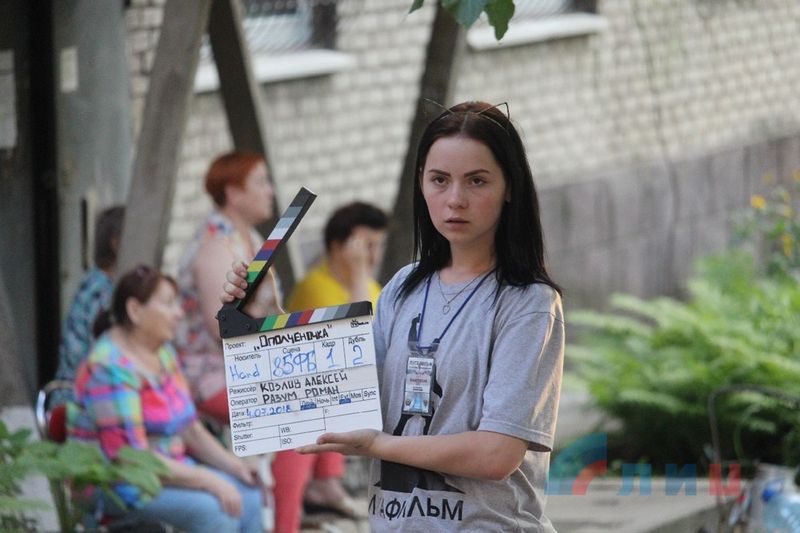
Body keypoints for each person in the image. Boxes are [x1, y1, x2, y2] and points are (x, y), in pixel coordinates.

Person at [223, 101, 565, 531]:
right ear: (421, 183)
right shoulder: (404, 287)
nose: (455, 199)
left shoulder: (528, 302)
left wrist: (378, 445)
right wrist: (265, 317)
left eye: (477, 181)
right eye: (439, 180)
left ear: (510, 186)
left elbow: (496, 454)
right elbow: (345, 391)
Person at [67, 265, 262, 533]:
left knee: (250, 497)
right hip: (117, 485)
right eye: (168, 304)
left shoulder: (163, 352)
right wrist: (209, 480)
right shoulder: (109, 368)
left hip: (167, 471)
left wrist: (235, 466)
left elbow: (190, 428)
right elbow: (132, 459)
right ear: (135, 310)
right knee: (217, 511)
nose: (179, 313)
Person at [273, 201, 387, 532]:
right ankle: (323, 485)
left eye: (377, 246)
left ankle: (327, 482)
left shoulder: (372, 288)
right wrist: (359, 278)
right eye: (365, 245)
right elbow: (355, 348)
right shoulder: (315, 287)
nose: (373, 256)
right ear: (339, 247)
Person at [175, 150, 282, 425]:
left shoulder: (249, 237)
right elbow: (222, 326)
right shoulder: (216, 244)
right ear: (233, 193)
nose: (270, 191)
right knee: (290, 413)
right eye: (261, 182)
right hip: (211, 373)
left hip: (249, 366)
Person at [53, 205, 125, 405]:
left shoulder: (97, 282)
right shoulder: (101, 291)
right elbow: (104, 362)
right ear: (116, 243)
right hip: (79, 401)